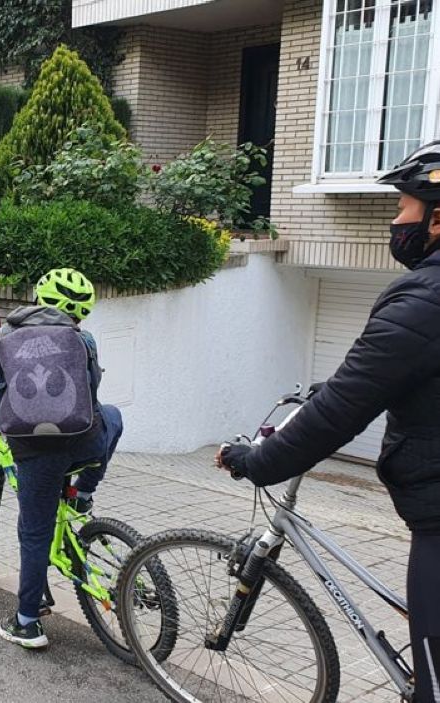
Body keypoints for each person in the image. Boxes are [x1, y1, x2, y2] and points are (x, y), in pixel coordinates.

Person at [218, 141, 440, 703]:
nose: (397, 220)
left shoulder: (425, 300)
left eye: (405, 207)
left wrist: (259, 462)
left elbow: (338, 415)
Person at [0, 267, 123, 651]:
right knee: (113, 417)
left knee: (34, 532)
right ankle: (84, 493)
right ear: (77, 312)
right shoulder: (83, 339)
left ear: (38, 298)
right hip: (83, 442)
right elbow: (93, 393)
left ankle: (28, 623)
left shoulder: (6, 336)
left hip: (35, 451)